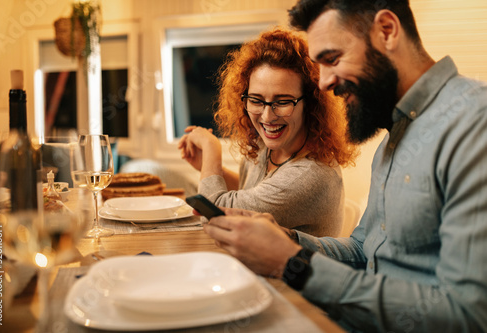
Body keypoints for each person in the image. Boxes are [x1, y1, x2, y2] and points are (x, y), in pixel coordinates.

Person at [203, 1, 487, 332]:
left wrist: (295, 265)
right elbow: (363, 252)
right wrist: (286, 239)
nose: (322, 83)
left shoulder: (473, 124)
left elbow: (469, 315)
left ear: (387, 31)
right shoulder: (394, 137)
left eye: (332, 59)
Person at [178, 28, 355, 236]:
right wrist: (216, 171)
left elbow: (214, 214)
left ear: (310, 103)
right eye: (256, 100)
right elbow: (255, 192)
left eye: (282, 102)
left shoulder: (310, 176)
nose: (267, 117)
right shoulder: (268, 145)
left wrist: (210, 149)